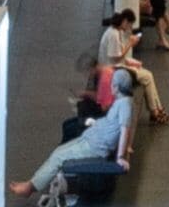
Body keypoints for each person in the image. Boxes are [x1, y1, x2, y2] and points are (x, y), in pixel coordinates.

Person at [9, 70, 134, 200]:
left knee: (58, 156)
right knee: (59, 151)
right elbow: (122, 126)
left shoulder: (124, 105)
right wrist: (97, 124)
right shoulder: (123, 102)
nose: (111, 87)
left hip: (95, 146)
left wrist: (120, 156)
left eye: (113, 84)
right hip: (92, 139)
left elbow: (125, 128)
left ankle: (30, 188)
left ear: (118, 87)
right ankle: (32, 184)